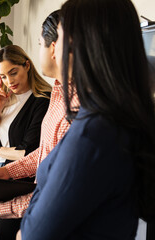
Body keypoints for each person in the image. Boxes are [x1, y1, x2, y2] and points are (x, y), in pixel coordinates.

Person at [19, 0, 155, 239]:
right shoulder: (120, 110)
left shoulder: (93, 133)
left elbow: (34, 235)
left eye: (57, 38)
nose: (52, 48)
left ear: (76, 46)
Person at [0, 9, 80, 219]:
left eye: (39, 44)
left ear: (54, 48)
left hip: (45, 209)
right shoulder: (60, 93)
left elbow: (57, 186)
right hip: (19, 186)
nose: (9, 81)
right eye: (3, 76)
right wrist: (7, 170)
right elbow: (43, 154)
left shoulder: (61, 103)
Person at [0, 44, 51, 240]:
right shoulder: (1, 99)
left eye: (13, 72)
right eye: (3, 76)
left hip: (20, 182)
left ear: (27, 65)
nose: (9, 81)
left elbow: (29, 151)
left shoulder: (42, 100)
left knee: (8, 232)